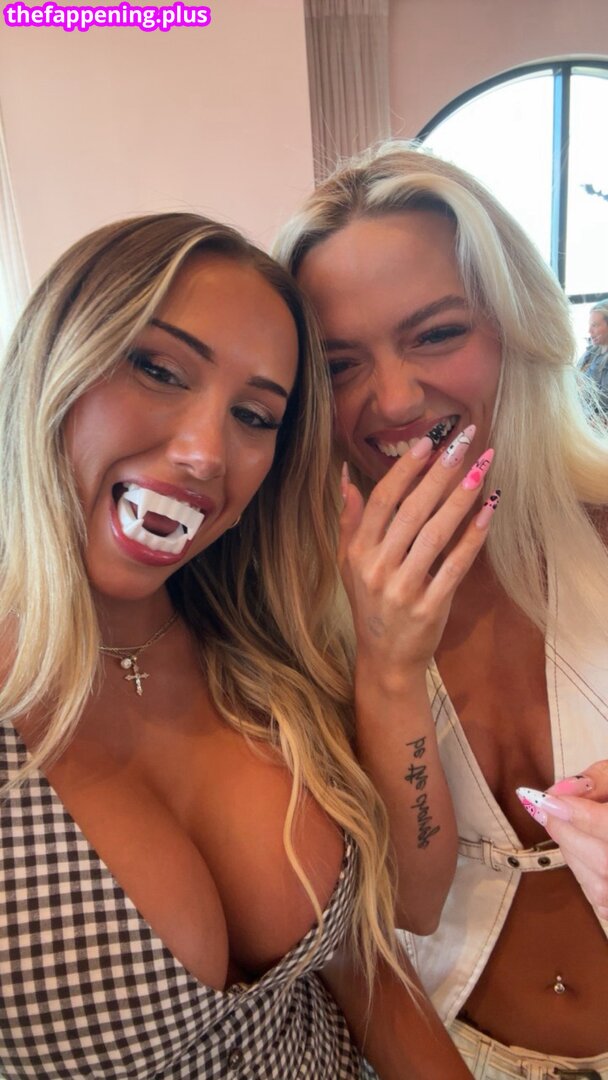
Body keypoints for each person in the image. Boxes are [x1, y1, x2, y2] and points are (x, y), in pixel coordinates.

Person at [0, 212, 475, 1080]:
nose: (205, 454)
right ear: (53, 356)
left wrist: (393, 661)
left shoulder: (258, 658)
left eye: (255, 416)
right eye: (157, 369)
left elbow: (375, 957)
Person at [276, 142, 608, 1079]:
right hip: (452, 1050)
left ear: (515, 326)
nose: (392, 398)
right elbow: (410, 907)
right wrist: (387, 665)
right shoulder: (296, 605)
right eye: (340, 363)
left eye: (435, 335)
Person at [579, 299, 608, 414]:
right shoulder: (591, 351)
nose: (589, 331)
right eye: (590, 325)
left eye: (594, 325)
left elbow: (604, 400)